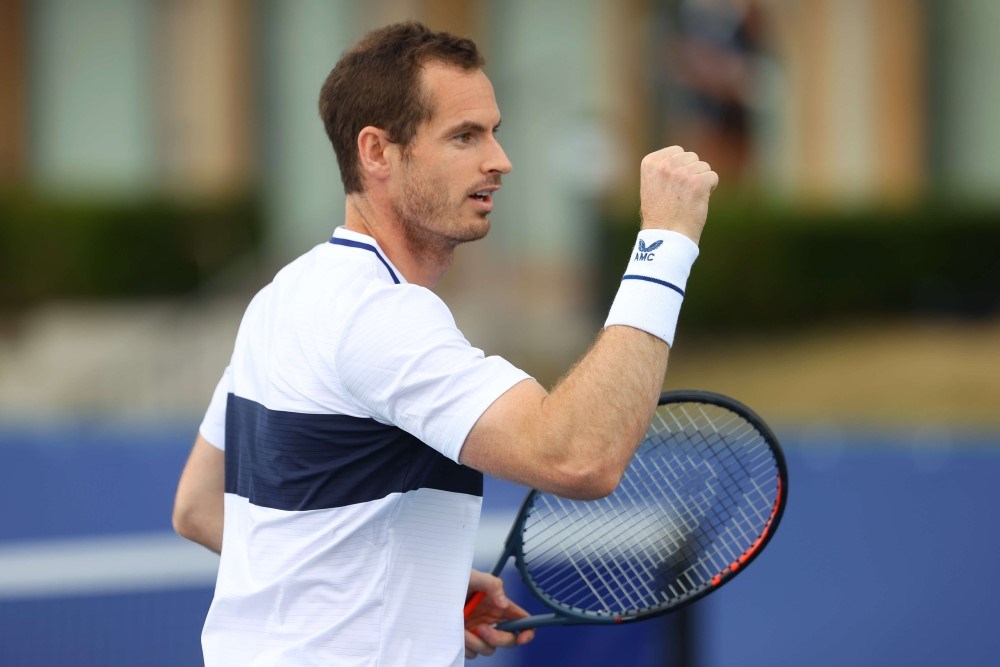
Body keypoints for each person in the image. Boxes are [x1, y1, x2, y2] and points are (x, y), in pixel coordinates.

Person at [173, 20, 718, 667]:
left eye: (493, 130)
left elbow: (199, 506)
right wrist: (666, 242)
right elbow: (581, 456)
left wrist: (407, 582)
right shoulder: (381, 317)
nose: (499, 159)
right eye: (464, 136)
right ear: (377, 152)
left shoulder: (284, 296)